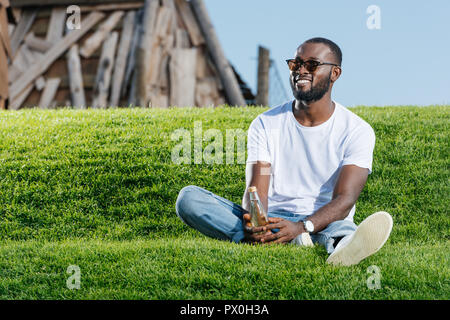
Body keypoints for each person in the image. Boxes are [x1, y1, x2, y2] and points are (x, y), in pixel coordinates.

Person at [175, 37, 393, 266]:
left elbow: (345, 199)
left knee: (341, 227)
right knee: (189, 200)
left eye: (312, 65)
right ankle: (303, 242)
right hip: (274, 219)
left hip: (322, 221)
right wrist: (257, 223)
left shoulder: (357, 130)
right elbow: (257, 190)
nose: (300, 70)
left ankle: (337, 242)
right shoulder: (265, 123)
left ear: (335, 73)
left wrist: (302, 226)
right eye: (295, 64)